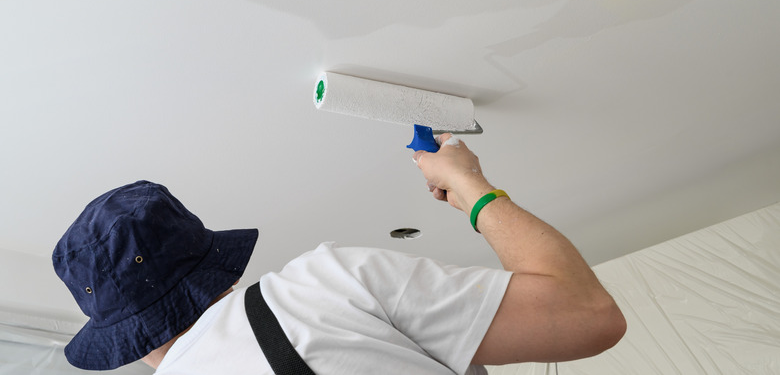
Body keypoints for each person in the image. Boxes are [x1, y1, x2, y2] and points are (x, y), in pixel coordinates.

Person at [53, 134, 626, 374]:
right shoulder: (319, 288)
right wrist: (473, 189)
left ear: (121, 336)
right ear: (207, 265)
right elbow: (588, 316)